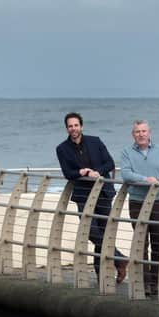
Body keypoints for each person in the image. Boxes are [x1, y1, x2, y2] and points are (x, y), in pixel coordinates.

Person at [55, 112, 128, 283]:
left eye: (76, 125)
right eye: (70, 126)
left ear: (81, 126)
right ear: (67, 128)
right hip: (83, 195)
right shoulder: (62, 149)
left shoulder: (95, 141)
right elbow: (67, 173)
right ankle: (119, 259)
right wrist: (81, 172)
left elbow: (109, 163)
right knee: (91, 231)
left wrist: (98, 172)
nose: (73, 128)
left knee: (104, 233)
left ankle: (102, 276)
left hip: (103, 193)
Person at [120, 120, 159, 297]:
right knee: (141, 243)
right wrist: (146, 179)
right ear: (133, 134)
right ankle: (144, 284)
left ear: (149, 133)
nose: (141, 134)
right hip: (137, 201)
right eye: (137, 132)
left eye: (144, 131)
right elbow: (126, 174)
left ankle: (157, 283)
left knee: (158, 242)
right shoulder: (127, 152)